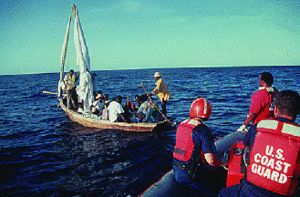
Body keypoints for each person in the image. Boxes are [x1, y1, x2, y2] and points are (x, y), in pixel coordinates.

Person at [219, 90, 300, 197]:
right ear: (297, 111)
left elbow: (245, 142)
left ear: (275, 109)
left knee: (223, 193)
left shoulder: (259, 126)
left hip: (250, 191)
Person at [173, 98, 225, 197]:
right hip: (190, 174)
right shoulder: (203, 130)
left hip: (176, 170)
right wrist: (223, 162)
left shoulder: (182, 125)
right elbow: (211, 160)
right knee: (216, 192)